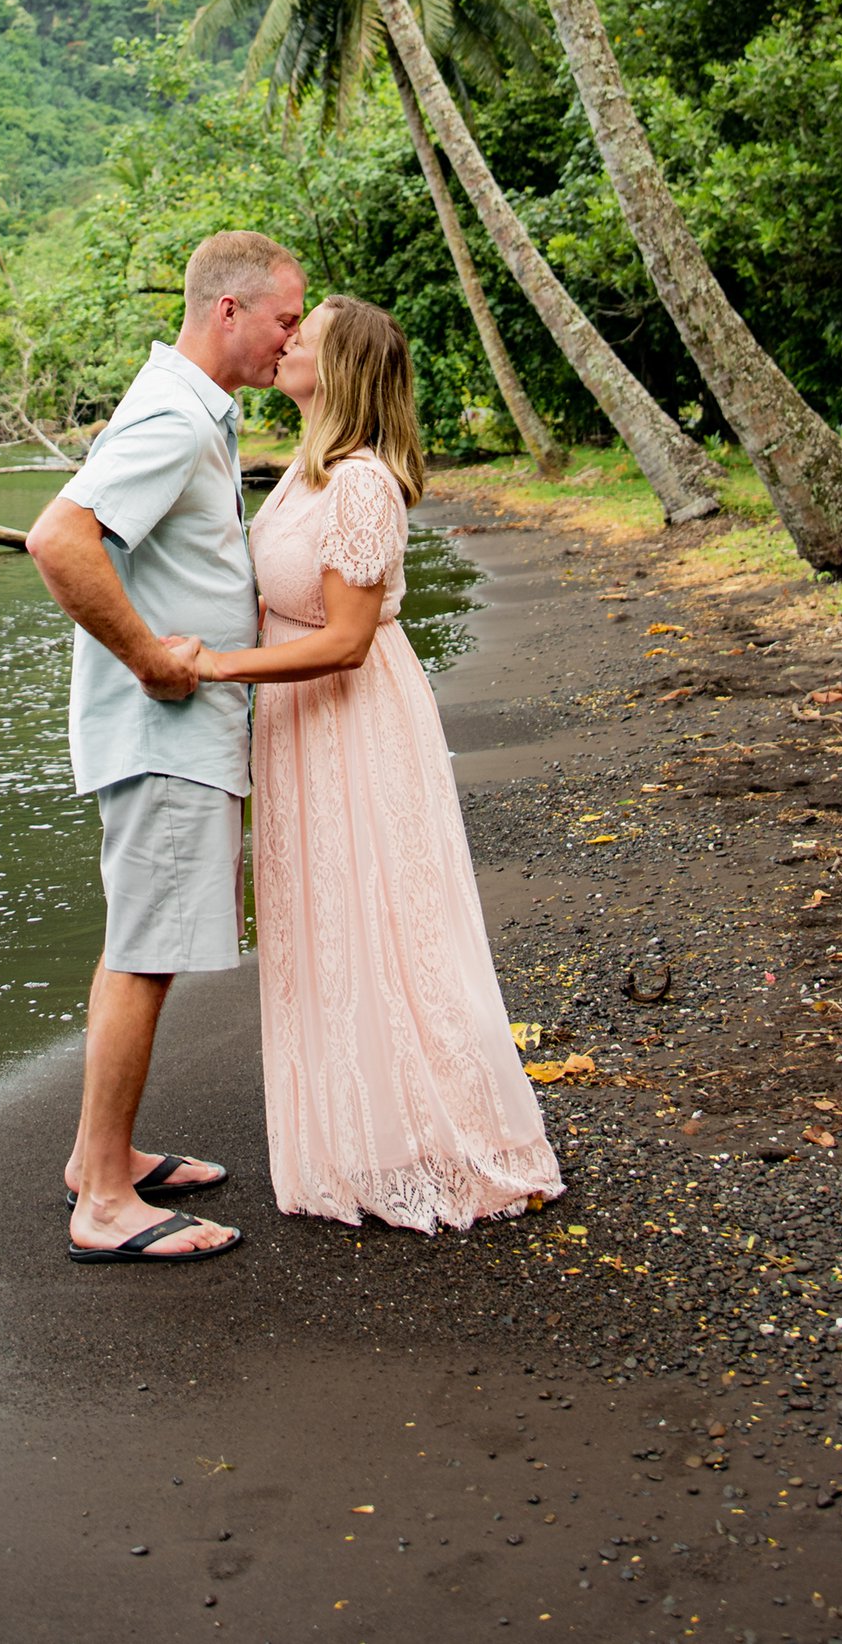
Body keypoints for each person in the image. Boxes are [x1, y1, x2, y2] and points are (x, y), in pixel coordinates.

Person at [192, 297, 563, 1230]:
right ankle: (359, 1135)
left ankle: (441, 1136)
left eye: (304, 334)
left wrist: (217, 667)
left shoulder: (361, 484)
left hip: (351, 720)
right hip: (297, 725)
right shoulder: (303, 475)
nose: (287, 342)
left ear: (343, 366)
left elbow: (348, 640)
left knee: (387, 922)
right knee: (324, 920)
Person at [25, 229, 305, 1263]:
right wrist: (148, 655)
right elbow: (60, 539)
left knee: (138, 944)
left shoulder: (191, 410)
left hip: (177, 732)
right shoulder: (172, 412)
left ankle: (106, 1153)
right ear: (228, 310)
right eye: (283, 318)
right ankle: (102, 1195)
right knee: (144, 954)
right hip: (164, 730)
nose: (290, 339)